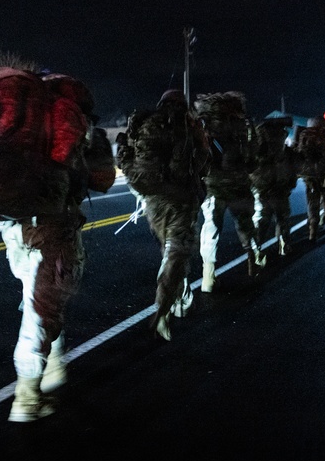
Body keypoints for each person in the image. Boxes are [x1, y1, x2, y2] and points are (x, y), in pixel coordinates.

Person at [0, 56, 116, 423]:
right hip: (53, 226)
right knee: (42, 309)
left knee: (37, 296)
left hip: (11, 224)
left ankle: (53, 363)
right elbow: (104, 179)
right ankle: (26, 396)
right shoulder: (66, 114)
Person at [115, 89, 211, 340]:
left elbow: (129, 159)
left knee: (169, 252)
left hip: (154, 202)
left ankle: (178, 299)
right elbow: (203, 157)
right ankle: (165, 308)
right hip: (181, 200)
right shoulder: (188, 127)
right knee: (175, 253)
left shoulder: (146, 124)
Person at [195, 91, 266, 292]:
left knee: (211, 228)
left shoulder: (204, 126)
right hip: (239, 186)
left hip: (212, 186)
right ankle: (253, 260)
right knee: (244, 224)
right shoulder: (243, 127)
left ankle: (208, 276)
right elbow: (252, 159)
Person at [249, 115, 298, 256]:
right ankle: (284, 244)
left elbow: (249, 168)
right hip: (281, 189)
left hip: (261, 189)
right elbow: (293, 168)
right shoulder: (284, 150)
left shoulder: (258, 148)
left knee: (260, 220)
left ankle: (255, 250)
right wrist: (290, 184)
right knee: (282, 218)